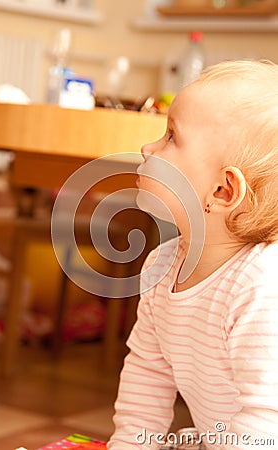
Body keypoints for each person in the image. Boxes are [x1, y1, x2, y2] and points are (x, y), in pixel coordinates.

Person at [107, 60, 278, 450]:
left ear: (221, 191)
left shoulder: (264, 283)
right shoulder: (163, 264)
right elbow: (147, 374)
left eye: (170, 137)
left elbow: (266, 423)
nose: (147, 147)